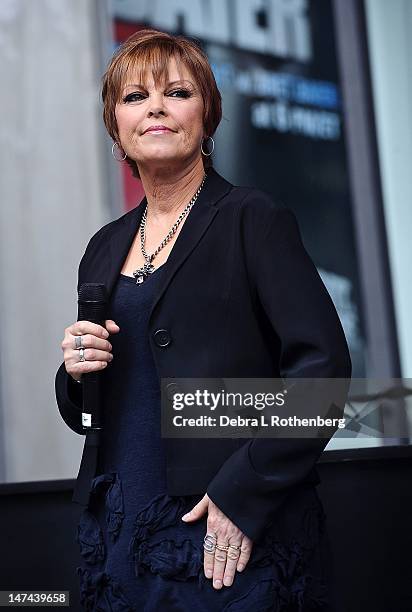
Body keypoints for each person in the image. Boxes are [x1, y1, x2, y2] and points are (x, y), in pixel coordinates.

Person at [55, 28, 351, 611]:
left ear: (208, 116)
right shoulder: (104, 246)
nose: (156, 108)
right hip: (122, 533)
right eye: (135, 97)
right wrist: (76, 371)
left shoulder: (252, 218)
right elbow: (90, 410)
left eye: (177, 92)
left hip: (229, 530)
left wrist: (245, 493)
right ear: (117, 128)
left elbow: (322, 372)